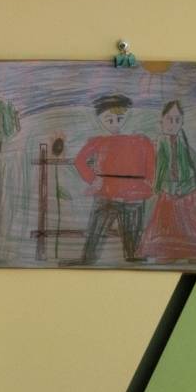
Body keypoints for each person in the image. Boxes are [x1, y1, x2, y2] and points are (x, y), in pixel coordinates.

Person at [138, 101, 196, 264]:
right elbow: (155, 167)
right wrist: (157, 185)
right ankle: (169, 253)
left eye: (177, 120)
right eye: (169, 119)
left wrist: (186, 181)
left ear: (182, 122)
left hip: (187, 191)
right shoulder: (158, 143)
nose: (173, 124)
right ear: (162, 121)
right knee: (167, 225)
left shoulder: (184, 142)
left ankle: (195, 252)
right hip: (167, 191)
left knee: (192, 225)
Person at [73, 93, 155, 264]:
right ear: (100, 120)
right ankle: (87, 258)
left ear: (127, 116)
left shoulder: (141, 140)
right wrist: (93, 179)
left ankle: (133, 255)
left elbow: (151, 161)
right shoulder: (98, 141)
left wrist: (149, 180)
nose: (115, 124)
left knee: (133, 236)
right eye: (109, 120)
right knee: (96, 231)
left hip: (133, 196)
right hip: (106, 195)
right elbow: (79, 161)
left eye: (119, 119)